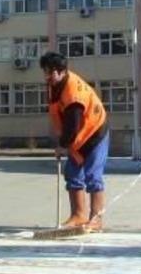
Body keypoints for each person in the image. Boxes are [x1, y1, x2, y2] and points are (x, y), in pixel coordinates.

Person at [40, 51, 110, 232]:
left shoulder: (73, 92)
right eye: (46, 71)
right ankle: (78, 216)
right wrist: (65, 143)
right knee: (72, 173)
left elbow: (73, 123)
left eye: (51, 72)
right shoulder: (54, 85)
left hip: (95, 132)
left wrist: (63, 146)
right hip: (77, 136)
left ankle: (96, 220)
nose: (47, 76)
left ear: (61, 71)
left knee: (93, 175)